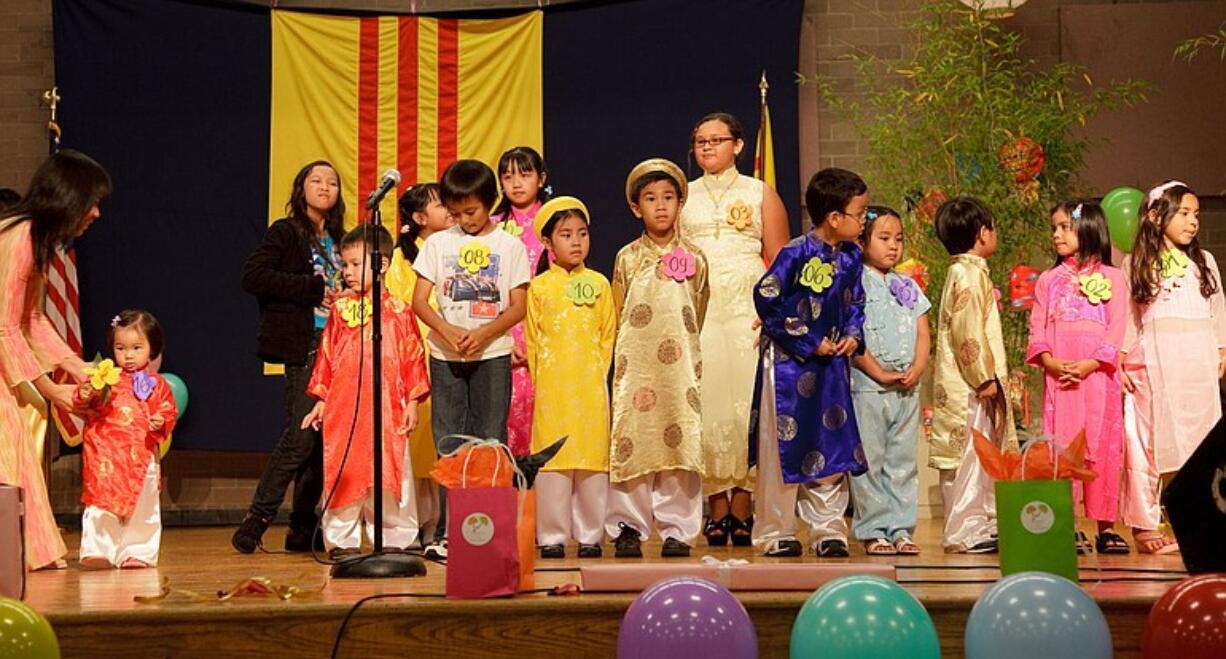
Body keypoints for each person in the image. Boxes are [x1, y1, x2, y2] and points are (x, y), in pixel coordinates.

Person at [679, 112, 790, 546]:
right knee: (708, 403)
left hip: (748, 306)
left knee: (746, 402)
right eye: (700, 141)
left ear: (738, 145)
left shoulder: (760, 192)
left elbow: (781, 258)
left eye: (717, 140)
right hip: (702, 307)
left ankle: (743, 505)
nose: (708, 148)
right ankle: (715, 505)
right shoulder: (683, 195)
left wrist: (774, 311)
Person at [412, 159, 531, 560]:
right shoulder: (437, 244)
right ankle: (449, 533)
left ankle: (489, 532)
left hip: (492, 354)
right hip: (445, 355)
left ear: (489, 202)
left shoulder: (509, 246)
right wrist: (447, 331)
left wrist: (482, 334)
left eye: (472, 211)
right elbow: (419, 301)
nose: (465, 219)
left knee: (490, 442)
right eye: (456, 212)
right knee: (450, 443)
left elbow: (518, 307)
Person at [749, 167, 867, 558]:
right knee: (782, 446)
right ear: (835, 218)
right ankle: (775, 530)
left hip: (831, 364)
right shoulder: (794, 253)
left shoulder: (851, 257)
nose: (863, 221)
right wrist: (810, 340)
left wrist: (852, 334)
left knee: (829, 441)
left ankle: (828, 528)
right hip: (789, 363)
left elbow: (857, 302)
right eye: (859, 213)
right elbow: (767, 299)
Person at [0, 149, 107, 570]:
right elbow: (5, 327)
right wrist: (49, 388)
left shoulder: (36, 239)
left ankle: (23, 555)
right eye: (91, 202)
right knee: (10, 451)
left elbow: (33, 319)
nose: (96, 213)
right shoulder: (20, 236)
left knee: (16, 449)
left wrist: (78, 367)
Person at [233, 160, 345, 554]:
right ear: (301, 189)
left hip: (339, 346)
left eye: (332, 182)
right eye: (316, 180)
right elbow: (253, 276)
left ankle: (302, 526)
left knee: (320, 443)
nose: (325, 187)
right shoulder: (286, 232)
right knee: (300, 437)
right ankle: (257, 518)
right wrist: (312, 289)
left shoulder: (340, 238)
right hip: (304, 344)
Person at [301, 225, 430, 557]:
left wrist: (413, 401)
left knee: (390, 468)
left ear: (382, 264)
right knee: (345, 468)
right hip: (345, 408)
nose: (348, 273)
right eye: (345, 265)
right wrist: (320, 399)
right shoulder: (340, 310)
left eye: (356, 264)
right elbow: (327, 357)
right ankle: (342, 539)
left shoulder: (400, 312)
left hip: (388, 405)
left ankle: (395, 536)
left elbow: (413, 358)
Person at [605, 158, 709, 559]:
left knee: (679, 439)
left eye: (668, 197)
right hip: (636, 366)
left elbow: (699, 306)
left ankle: (678, 529)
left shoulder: (696, 257)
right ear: (636, 208)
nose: (660, 206)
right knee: (634, 442)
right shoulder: (627, 257)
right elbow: (617, 310)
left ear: (681, 203)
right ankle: (628, 526)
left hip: (680, 367)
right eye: (651, 199)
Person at [1121, 181, 1226, 554]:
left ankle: (1204, 523)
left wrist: (1220, 346)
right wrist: (1122, 357)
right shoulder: (1136, 263)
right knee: (1156, 441)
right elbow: (1129, 318)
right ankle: (1156, 524)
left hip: (1197, 361)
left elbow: (1217, 310)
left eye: (1196, 214)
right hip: (1158, 361)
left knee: (1203, 443)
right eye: (1183, 213)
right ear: (1155, 215)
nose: (1192, 221)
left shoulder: (1204, 262)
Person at [1026, 200, 1129, 554]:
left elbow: (1117, 327)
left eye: (1064, 227)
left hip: (1098, 377)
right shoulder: (1049, 280)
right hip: (1060, 378)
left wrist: (1091, 364)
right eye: (1054, 227)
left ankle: (1106, 526)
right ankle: (1068, 524)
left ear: (1088, 229)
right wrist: (1051, 362)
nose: (1056, 234)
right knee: (1064, 449)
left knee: (1102, 448)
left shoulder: (1114, 278)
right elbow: (1037, 326)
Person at [524, 196, 616, 559]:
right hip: (552, 386)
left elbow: (608, 334)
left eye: (582, 233)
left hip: (591, 384)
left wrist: (596, 371)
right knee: (554, 461)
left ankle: (591, 534)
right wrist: (544, 377)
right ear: (547, 242)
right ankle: (552, 535)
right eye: (566, 234)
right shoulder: (539, 288)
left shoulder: (599, 283)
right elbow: (533, 338)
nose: (576, 242)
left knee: (592, 458)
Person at [930, 196, 1017, 554]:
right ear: (982, 234)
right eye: (993, 227)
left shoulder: (968, 271)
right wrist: (983, 377)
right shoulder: (967, 274)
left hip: (971, 381)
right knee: (970, 452)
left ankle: (980, 522)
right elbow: (966, 332)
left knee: (979, 453)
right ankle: (965, 529)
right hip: (969, 385)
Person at [849, 206, 930, 555]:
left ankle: (901, 527)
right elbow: (850, 336)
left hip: (906, 387)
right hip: (869, 386)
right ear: (863, 241)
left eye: (898, 239)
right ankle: (873, 528)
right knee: (869, 459)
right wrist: (877, 371)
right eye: (884, 238)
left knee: (903, 461)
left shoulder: (906, 284)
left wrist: (919, 365)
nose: (893, 246)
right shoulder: (852, 284)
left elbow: (924, 330)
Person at [76, 310, 177, 568]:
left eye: (136, 347)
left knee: (143, 506)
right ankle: (97, 549)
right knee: (101, 500)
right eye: (121, 348)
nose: (128, 355)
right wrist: (87, 391)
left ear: (152, 348)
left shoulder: (156, 384)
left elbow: (168, 409)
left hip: (141, 455)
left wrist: (161, 420)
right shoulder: (104, 377)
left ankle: (138, 552)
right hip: (105, 453)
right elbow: (82, 399)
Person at [386, 182, 453, 544]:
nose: (448, 210)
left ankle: (439, 524)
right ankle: (414, 524)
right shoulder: (401, 261)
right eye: (440, 205)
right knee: (414, 448)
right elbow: (400, 313)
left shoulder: (453, 249)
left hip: (448, 352)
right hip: (414, 359)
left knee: (439, 442)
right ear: (419, 217)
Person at [490, 147, 551, 457]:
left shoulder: (555, 223)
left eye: (525, 174)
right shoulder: (492, 226)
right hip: (500, 338)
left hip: (542, 336)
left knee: (541, 429)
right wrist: (501, 338)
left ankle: (542, 505)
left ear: (541, 179)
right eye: (508, 176)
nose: (515, 183)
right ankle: (505, 505)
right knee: (502, 427)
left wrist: (534, 344)